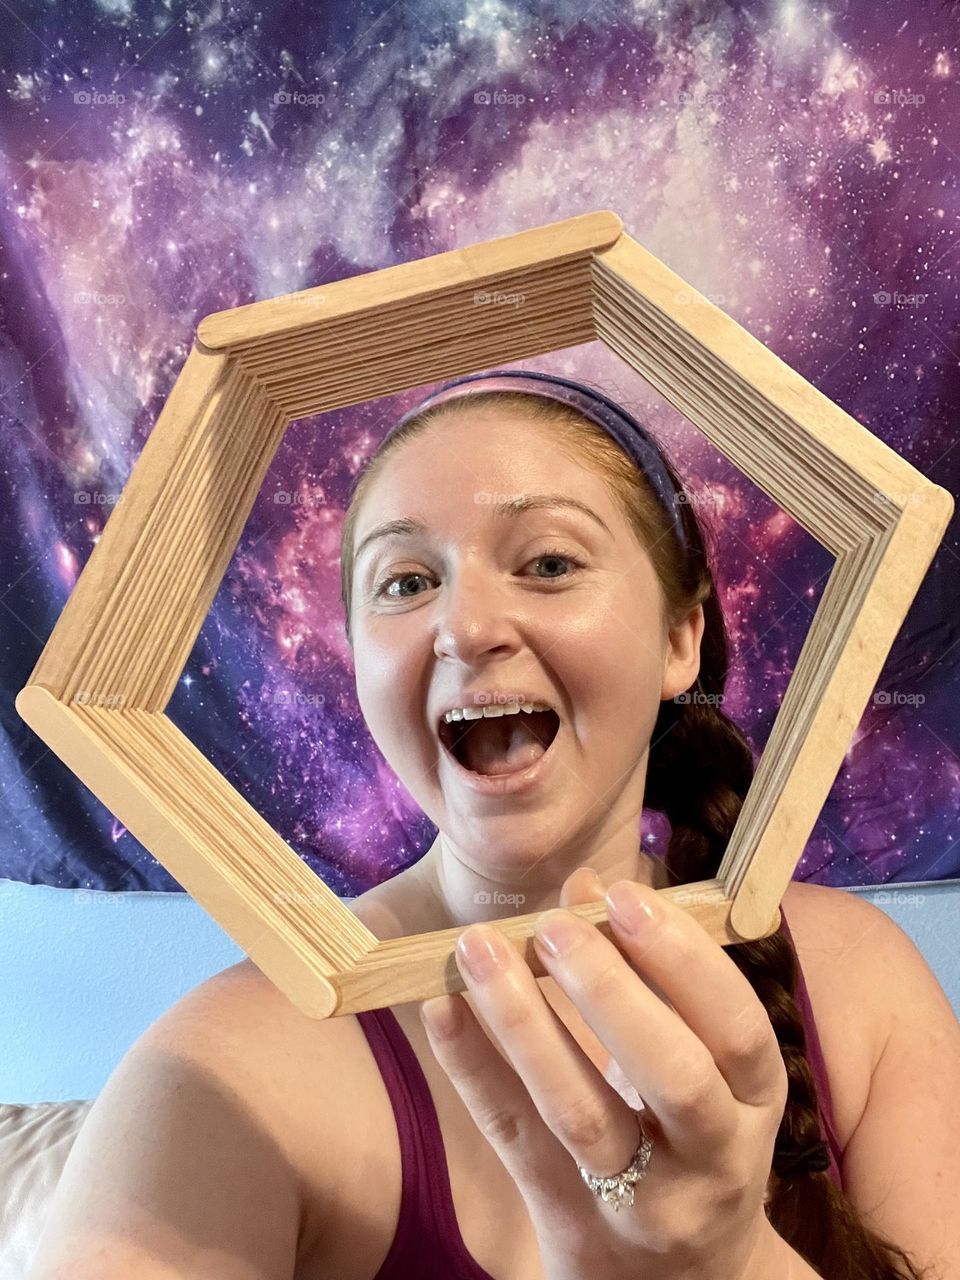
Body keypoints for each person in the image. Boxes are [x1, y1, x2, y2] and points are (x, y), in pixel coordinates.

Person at [26, 369, 958, 1280]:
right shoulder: (220, 1080)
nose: (464, 626)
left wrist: (730, 1263)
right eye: (404, 582)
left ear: (682, 640)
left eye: (549, 562)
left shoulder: (859, 986)